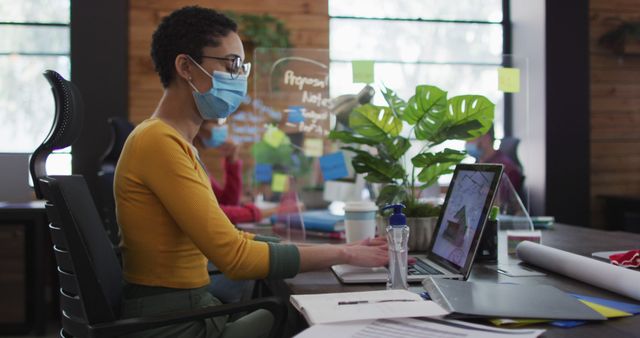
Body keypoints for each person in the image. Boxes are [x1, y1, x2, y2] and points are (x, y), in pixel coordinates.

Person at [114, 6, 388, 337]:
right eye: (231, 65)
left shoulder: (172, 141)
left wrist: (340, 251)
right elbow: (235, 258)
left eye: (242, 66)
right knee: (300, 315)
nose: (240, 76)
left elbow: (232, 237)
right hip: (174, 323)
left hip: (187, 308)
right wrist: (345, 253)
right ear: (186, 67)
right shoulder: (158, 142)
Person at [194, 120, 279, 224]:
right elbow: (209, 213)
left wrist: (232, 160)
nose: (222, 128)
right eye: (216, 123)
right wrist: (270, 211)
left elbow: (228, 202)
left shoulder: (196, 160)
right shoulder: (186, 160)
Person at [465, 128, 524, 194]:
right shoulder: (477, 165)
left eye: (470, 138)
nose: (467, 143)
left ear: (486, 138)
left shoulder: (505, 168)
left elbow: (501, 201)